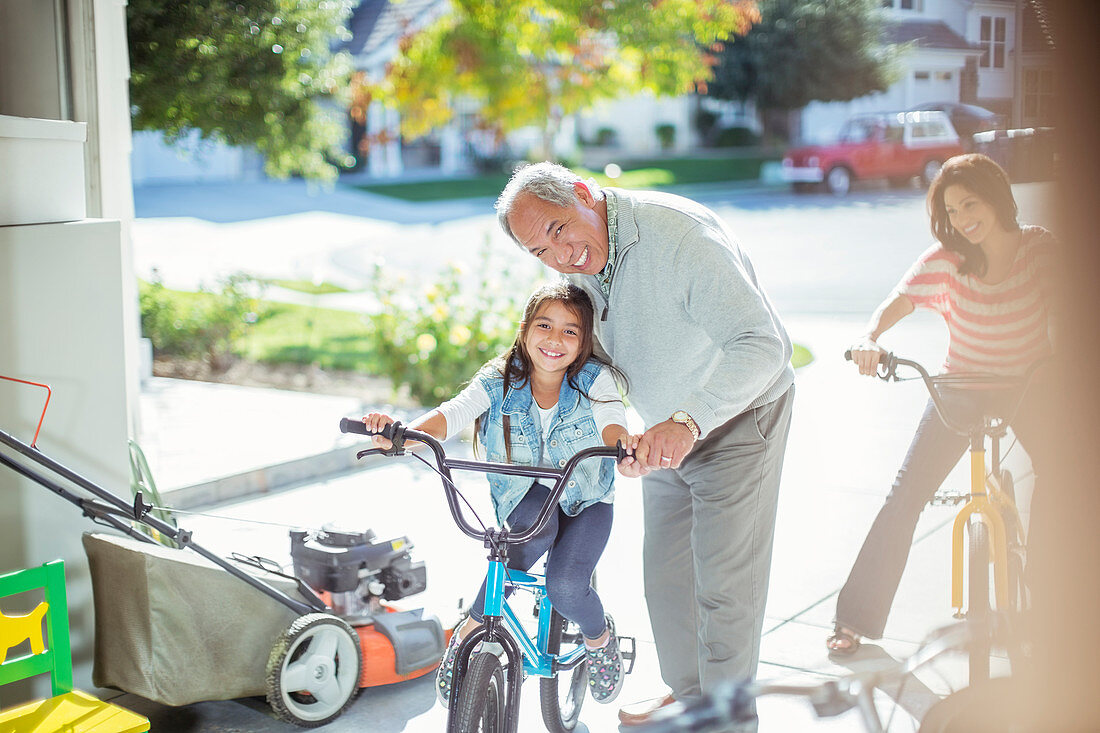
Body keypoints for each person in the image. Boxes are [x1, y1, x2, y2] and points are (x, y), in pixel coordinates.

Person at [494, 162, 796, 727]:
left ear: (583, 194)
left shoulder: (679, 236)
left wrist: (689, 422)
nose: (561, 257)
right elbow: (587, 359)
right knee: (666, 581)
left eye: (559, 230)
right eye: (541, 252)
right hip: (664, 430)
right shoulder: (580, 269)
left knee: (724, 594)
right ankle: (689, 698)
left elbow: (764, 345)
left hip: (736, 418)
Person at [362, 281, 639, 706]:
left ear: (584, 343)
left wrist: (622, 446)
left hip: (586, 497)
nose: (554, 339)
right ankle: (469, 634)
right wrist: (403, 435)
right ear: (525, 328)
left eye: (570, 331)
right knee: (522, 543)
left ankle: (600, 639)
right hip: (525, 493)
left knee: (565, 585)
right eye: (544, 325)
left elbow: (611, 418)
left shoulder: (594, 380)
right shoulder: (500, 378)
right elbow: (452, 413)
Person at [827, 153, 1059, 655]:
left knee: (1064, 474)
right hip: (962, 384)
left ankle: (1051, 606)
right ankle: (855, 620)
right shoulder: (946, 258)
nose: (961, 219)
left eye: (970, 204)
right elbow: (897, 301)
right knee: (906, 494)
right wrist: (870, 337)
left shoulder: (1039, 248)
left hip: (1029, 383)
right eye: (951, 211)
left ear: (996, 199)